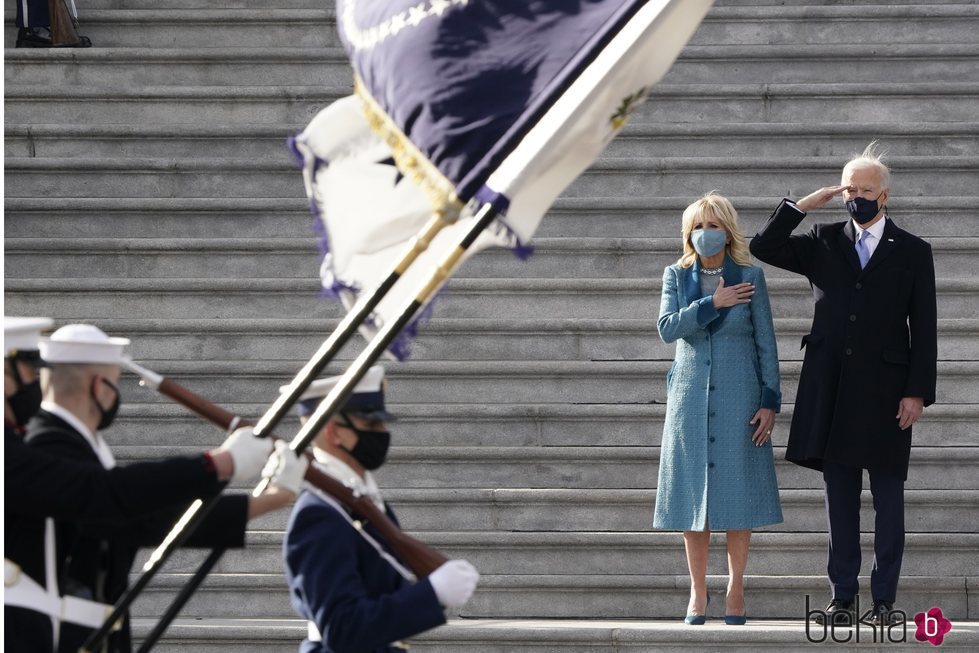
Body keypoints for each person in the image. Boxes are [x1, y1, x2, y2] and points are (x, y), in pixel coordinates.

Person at [7, 321, 307, 653]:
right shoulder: (50, 443)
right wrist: (221, 465)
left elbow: (136, 515)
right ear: (98, 386)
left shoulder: (70, 443)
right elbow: (121, 507)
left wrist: (263, 498)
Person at [749, 143, 937, 626]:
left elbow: (926, 326)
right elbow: (762, 247)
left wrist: (917, 392)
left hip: (888, 394)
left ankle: (883, 600)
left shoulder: (914, 252)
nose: (856, 197)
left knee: (889, 500)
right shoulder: (823, 240)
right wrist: (801, 207)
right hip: (830, 389)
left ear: (885, 196)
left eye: (865, 190)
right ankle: (843, 598)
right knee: (840, 499)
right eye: (850, 189)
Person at [282, 365, 479, 653]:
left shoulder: (358, 497)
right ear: (333, 432)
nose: (383, 433)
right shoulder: (319, 513)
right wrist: (431, 595)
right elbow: (341, 628)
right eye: (371, 425)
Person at [653, 192, 783, 626]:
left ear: (728, 231)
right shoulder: (677, 274)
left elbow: (766, 341)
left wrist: (770, 400)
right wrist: (713, 304)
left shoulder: (751, 276)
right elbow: (667, 328)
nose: (704, 234)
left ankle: (736, 587)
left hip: (739, 396)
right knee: (694, 497)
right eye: (697, 226)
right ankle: (697, 590)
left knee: (737, 494)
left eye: (712, 226)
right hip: (690, 397)